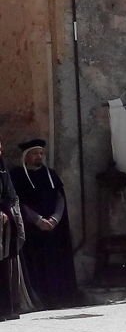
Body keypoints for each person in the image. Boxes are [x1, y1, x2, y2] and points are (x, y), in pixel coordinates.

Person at [10, 139, 78, 309]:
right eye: (34, 154)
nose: (38, 157)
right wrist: (38, 220)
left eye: (41, 153)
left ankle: (61, 298)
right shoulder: (17, 176)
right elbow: (18, 202)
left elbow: (60, 199)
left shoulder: (51, 174)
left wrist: (55, 219)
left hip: (53, 231)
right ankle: (40, 300)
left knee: (56, 265)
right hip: (33, 232)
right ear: (26, 157)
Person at [1, 137, 33, 321]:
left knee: (8, 269)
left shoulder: (3, 170)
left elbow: (10, 196)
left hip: (6, 229)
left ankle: (8, 308)